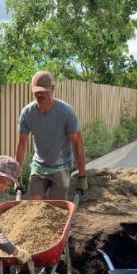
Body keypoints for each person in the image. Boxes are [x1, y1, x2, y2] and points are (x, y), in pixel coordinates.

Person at [15, 70, 88, 200]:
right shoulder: (27, 113)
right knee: (35, 204)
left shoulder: (66, 112)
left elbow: (77, 144)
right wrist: (17, 175)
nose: (39, 94)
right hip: (39, 166)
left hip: (61, 166)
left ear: (52, 89)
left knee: (56, 207)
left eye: (43, 90)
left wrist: (82, 175)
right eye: (36, 90)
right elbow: (21, 145)